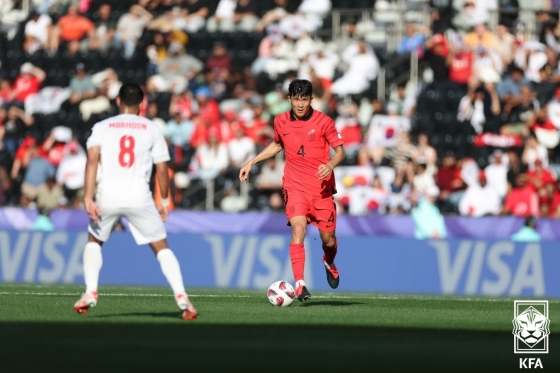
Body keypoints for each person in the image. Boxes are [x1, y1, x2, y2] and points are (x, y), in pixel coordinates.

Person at [74, 83, 197, 320]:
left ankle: (90, 291)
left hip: (108, 195)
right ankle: (181, 296)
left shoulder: (101, 127)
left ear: (118, 101)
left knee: (94, 240)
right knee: (161, 247)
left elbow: (91, 163)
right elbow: (162, 169)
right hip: (140, 196)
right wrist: (163, 200)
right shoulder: (151, 128)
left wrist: (88, 197)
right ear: (142, 104)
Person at [239, 79, 346, 302]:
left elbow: (340, 152)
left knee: (328, 239)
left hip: (321, 189)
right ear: (289, 99)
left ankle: (328, 261)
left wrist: (330, 165)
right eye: (296, 99)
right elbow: (278, 144)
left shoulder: (324, 121)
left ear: (310, 99)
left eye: (304, 99)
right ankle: (300, 284)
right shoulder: (280, 121)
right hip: (294, 186)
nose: (300, 104)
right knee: (298, 228)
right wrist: (252, 162)